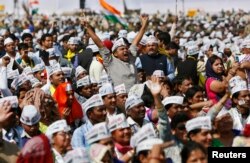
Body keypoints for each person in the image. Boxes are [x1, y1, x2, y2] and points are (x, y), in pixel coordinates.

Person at [84, 15, 149, 91]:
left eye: (126, 48)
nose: (125, 50)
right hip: (121, 99)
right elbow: (100, 44)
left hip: (136, 97)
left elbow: (136, 41)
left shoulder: (131, 57)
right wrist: (88, 28)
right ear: (115, 54)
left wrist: (144, 25)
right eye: (121, 49)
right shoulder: (110, 61)